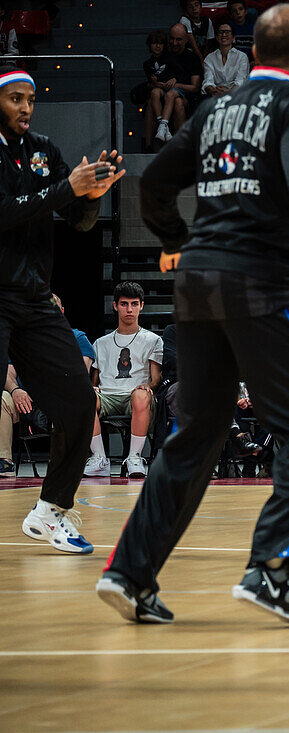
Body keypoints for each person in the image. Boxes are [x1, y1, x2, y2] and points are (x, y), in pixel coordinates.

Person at [98, 5, 289, 627]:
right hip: (260, 284)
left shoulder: (217, 109)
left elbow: (155, 181)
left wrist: (173, 238)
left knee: (194, 437)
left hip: (196, 283)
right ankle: (273, 569)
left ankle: (131, 571)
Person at [0, 65, 122, 553]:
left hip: (35, 298)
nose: (26, 107)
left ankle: (51, 510)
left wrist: (92, 195)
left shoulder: (45, 151)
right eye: (14, 98)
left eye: (30, 98)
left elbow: (79, 219)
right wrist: (66, 190)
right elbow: (6, 211)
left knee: (79, 401)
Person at [85, 283, 164, 479]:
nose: (129, 309)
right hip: (107, 396)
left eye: (134, 304)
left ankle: (134, 457)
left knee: (140, 395)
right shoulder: (100, 343)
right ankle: (99, 458)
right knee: (84, 395)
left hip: (136, 397)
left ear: (142, 306)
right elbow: (94, 381)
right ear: (115, 306)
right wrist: (90, 389)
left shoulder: (153, 339)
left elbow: (156, 379)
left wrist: (149, 386)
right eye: (124, 304)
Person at [142, 29, 186, 148]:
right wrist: (155, 82)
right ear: (149, 45)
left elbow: (180, 73)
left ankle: (163, 126)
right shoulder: (147, 64)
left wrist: (174, 80)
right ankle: (163, 127)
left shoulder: (169, 58)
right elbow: (151, 80)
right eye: (154, 43)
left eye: (160, 43)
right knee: (155, 93)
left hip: (172, 89)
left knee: (170, 95)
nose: (157, 46)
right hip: (159, 88)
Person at [202, 23, 250, 98]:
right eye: (221, 32)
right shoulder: (209, 58)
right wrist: (214, 90)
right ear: (217, 37)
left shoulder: (242, 57)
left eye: (227, 32)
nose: (224, 35)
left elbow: (240, 81)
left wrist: (228, 91)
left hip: (236, 95)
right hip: (215, 95)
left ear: (233, 37)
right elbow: (208, 80)